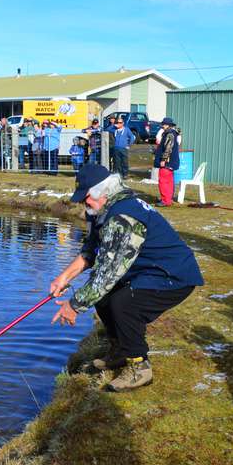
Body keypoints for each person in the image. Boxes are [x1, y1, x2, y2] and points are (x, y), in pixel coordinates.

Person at [49, 164, 204, 391]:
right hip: (148, 270)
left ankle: (139, 367)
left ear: (102, 192)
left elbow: (108, 273)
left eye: (86, 198)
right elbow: (90, 251)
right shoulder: (101, 210)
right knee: (104, 298)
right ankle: (121, 351)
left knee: (124, 303)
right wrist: (64, 277)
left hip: (173, 275)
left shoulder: (123, 217)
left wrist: (74, 305)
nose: (84, 204)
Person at [153, 117, 180, 207]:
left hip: (167, 162)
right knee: (169, 181)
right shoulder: (173, 133)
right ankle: (168, 199)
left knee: (164, 181)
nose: (162, 126)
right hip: (172, 162)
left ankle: (165, 200)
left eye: (164, 124)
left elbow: (168, 148)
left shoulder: (169, 134)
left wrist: (163, 159)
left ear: (168, 125)